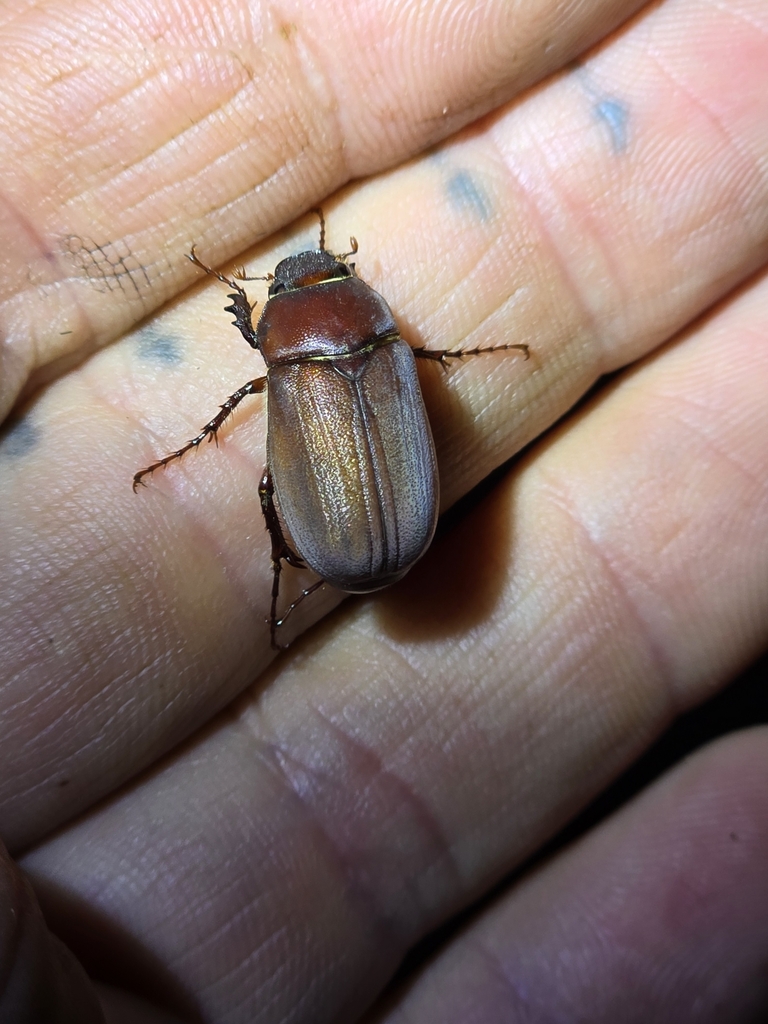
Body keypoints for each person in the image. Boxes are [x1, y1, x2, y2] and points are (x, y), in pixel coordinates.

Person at [1, 0, 767, 1019]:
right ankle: (289, 563)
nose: (313, 275)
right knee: (281, 473)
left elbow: (256, 371)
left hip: (369, 523)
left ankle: (288, 566)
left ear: (280, 326)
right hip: (398, 520)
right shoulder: (381, 342)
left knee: (269, 475)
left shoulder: (284, 358)